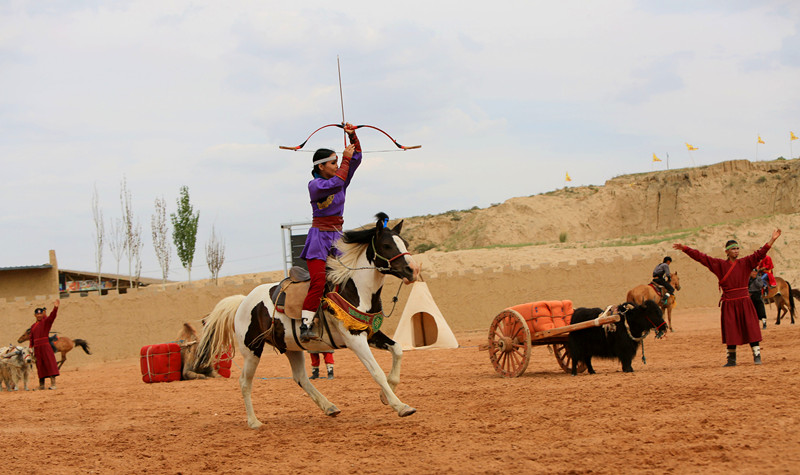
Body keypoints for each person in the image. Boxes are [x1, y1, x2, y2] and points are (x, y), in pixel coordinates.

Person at [673, 229, 781, 367]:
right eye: (733, 249)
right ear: (727, 252)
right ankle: (731, 359)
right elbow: (702, 258)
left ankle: (757, 355)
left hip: (744, 301)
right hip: (729, 303)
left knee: (751, 328)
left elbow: (760, 253)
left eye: (737, 248)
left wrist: (773, 239)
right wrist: (685, 249)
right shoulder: (719, 265)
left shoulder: (746, 262)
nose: (736, 251)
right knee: (731, 330)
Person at [299, 123, 362, 342]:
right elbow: (337, 181)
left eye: (337, 162)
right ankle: (305, 325)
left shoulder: (340, 181)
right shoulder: (314, 185)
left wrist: (353, 136)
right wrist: (344, 159)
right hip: (319, 239)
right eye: (333, 162)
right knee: (318, 280)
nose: (337, 165)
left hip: (336, 238)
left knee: (347, 278)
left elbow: (355, 159)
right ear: (321, 166)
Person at [30, 300, 61, 389]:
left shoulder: (46, 322)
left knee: (50, 363)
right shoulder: (33, 326)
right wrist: (30, 348)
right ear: (35, 315)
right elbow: (31, 338)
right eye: (37, 314)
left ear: (42, 315)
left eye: (40, 314)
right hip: (37, 348)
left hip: (45, 346)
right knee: (40, 366)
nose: (39, 315)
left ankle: (53, 384)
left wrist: (55, 308)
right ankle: (41, 385)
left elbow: (52, 317)